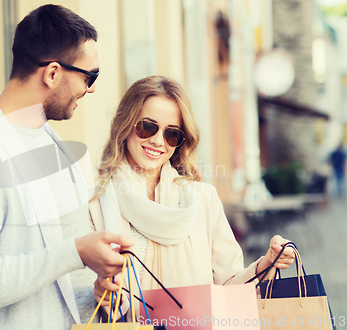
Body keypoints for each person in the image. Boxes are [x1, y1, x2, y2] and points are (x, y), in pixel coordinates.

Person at [0, 5, 133, 330]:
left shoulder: (57, 145)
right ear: (53, 73)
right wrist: (76, 253)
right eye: (89, 76)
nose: (91, 88)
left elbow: (62, 279)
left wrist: (100, 291)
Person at [89, 76, 295, 316]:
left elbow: (228, 287)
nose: (157, 141)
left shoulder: (201, 199)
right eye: (147, 126)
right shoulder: (98, 202)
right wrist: (104, 297)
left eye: (171, 134)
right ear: (126, 125)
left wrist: (267, 263)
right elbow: (83, 293)